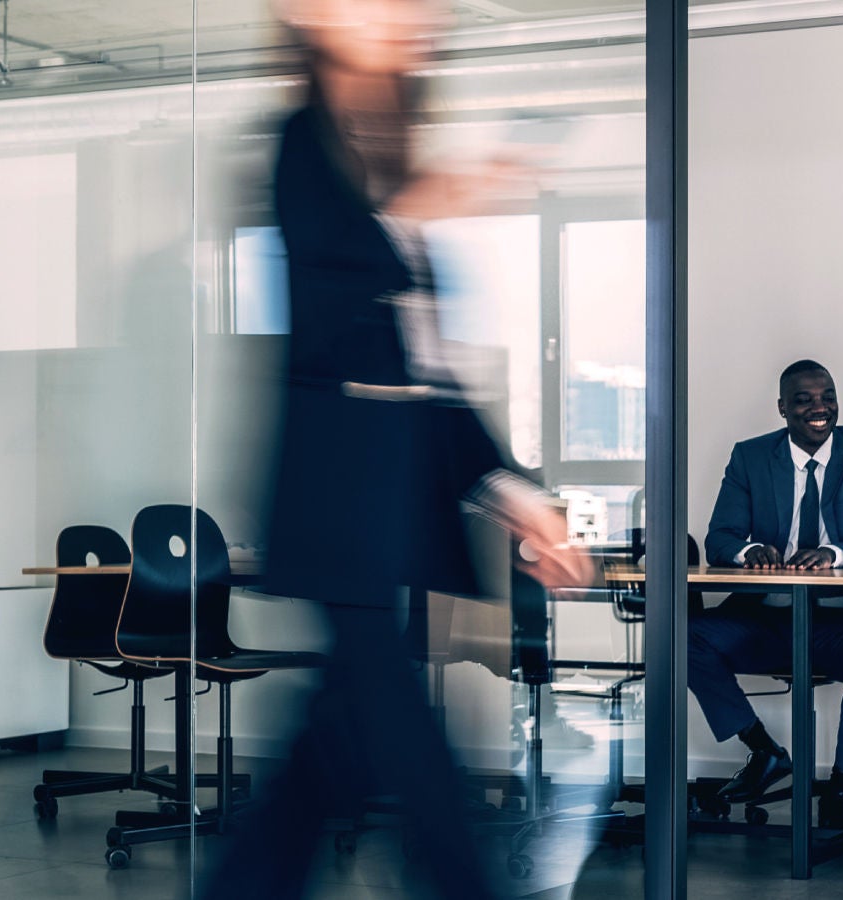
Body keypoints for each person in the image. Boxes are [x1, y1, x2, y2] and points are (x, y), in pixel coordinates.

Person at [200, 0, 589, 895]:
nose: (410, 12)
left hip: (386, 508)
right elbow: (335, 324)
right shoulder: (302, 141)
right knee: (417, 762)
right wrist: (416, 209)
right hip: (336, 506)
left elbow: (425, 370)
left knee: (323, 761)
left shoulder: (381, 148)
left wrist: (510, 488)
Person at [694, 360, 843, 830]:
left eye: (827, 396)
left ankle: (842, 786)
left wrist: (834, 553)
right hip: (769, 619)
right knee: (686, 637)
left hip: (841, 624)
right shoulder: (750, 457)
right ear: (782, 408)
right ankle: (764, 752)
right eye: (805, 399)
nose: (819, 408)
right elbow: (720, 537)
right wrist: (749, 551)